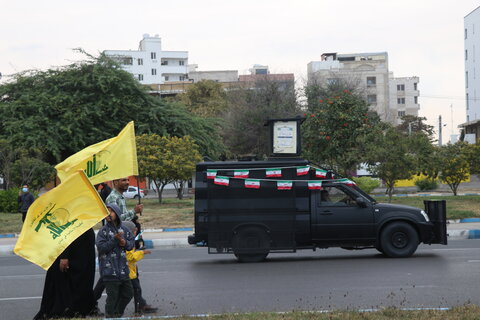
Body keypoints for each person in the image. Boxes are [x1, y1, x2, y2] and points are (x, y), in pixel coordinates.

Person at [33, 228, 96, 319]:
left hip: (83, 244)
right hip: (70, 247)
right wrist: (64, 256)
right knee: (62, 280)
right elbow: (65, 231)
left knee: (83, 280)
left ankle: (80, 309)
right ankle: (62, 311)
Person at [96, 203, 135, 318]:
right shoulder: (103, 232)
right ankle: (110, 316)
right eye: (106, 212)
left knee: (128, 293)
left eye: (111, 211)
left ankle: (117, 313)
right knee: (112, 298)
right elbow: (102, 248)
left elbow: (131, 244)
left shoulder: (125, 230)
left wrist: (125, 243)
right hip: (109, 272)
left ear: (117, 213)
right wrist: (114, 239)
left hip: (123, 270)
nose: (108, 214)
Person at [122, 221, 158, 315]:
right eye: (134, 231)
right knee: (134, 290)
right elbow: (130, 257)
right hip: (128, 272)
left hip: (131, 271)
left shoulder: (129, 240)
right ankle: (137, 310)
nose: (135, 233)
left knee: (136, 290)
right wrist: (142, 253)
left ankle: (140, 306)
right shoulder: (126, 242)